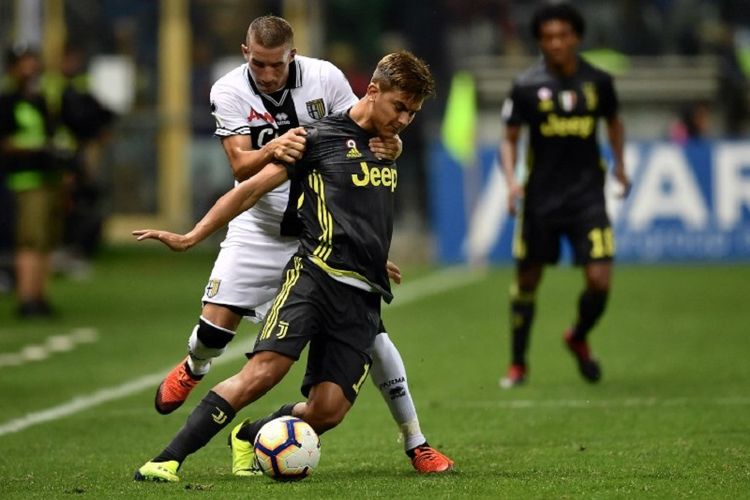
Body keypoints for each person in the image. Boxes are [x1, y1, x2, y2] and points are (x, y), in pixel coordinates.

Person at [149, 16, 452, 474]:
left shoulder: (333, 86)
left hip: (335, 250)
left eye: (278, 64)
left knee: (351, 380)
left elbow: (365, 149)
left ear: (293, 56)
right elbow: (242, 176)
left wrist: (395, 148)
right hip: (270, 231)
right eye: (260, 64)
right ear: (246, 53)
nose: (268, 74)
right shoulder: (239, 96)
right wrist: (195, 233)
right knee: (226, 343)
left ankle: (408, 441)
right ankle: (187, 390)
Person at [498, 3, 630, 388]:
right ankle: (518, 363)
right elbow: (509, 141)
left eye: (562, 36)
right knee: (527, 281)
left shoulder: (599, 83)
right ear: (540, 41)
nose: (555, 43)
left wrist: (620, 164)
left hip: (588, 198)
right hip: (541, 200)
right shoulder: (525, 86)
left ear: (576, 37)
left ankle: (577, 335)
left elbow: (615, 122)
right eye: (548, 37)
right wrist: (511, 181)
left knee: (600, 281)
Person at [0, 45, 64, 318]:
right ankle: (27, 298)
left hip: (48, 175)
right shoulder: (8, 100)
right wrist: (36, 148)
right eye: (24, 62)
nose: (30, 67)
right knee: (30, 238)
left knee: (46, 238)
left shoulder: (38, 98)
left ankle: (39, 295)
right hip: (25, 179)